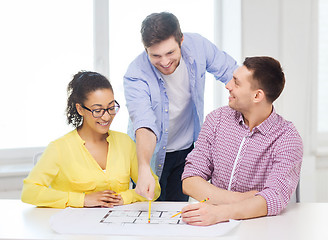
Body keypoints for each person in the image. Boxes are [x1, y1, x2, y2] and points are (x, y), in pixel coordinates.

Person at [123, 12, 237, 201]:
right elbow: (144, 124)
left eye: (170, 53)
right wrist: (142, 167)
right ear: (146, 50)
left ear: (181, 40)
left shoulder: (198, 46)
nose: (165, 62)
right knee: (149, 216)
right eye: (156, 55)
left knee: (177, 215)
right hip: (150, 155)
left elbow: (232, 73)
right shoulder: (136, 74)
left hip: (186, 150)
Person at [180, 56, 303, 225]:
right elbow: (190, 180)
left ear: (257, 95)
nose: (228, 85)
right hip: (212, 224)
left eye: (236, 83)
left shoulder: (287, 138)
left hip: (260, 226)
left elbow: (274, 197)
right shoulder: (217, 119)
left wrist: (220, 212)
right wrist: (242, 200)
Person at [21, 71, 160, 208]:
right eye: (97, 110)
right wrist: (83, 199)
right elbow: (29, 192)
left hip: (115, 224)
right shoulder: (59, 148)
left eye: (111, 108)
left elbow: (154, 188)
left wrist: (124, 198)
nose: (106, 117)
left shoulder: (125, 142)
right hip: (73, 226)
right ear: (80, 109)